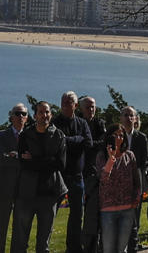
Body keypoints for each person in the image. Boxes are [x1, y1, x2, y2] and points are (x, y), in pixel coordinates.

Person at [12, 102, 66, 253]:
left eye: (47, 112)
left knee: (44, 242)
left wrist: (34, 159)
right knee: (21, 239)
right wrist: (47, 160)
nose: (44, 115)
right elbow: (24, 163)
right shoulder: (25, 135)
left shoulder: (58, 135)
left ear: (51, 115)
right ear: (35, 116)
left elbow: (60, 164)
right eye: (41, 112)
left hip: (49, 193)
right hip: (27, 193)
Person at [55, 94, 95, 253]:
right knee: (51, 212)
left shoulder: (82, 123)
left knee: (77, 215)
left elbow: (88, 143)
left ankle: (73, 248)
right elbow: (57, 143)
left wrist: (68, 140)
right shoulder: (55, 122)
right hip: (59, 175)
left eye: (69, 102)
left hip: (77, 176)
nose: (65, 104)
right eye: (63, 102)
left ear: (76, 105)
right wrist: (77, 140)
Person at [95, 127, 141, 253]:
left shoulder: (130, 155)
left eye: (121, 135)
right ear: (109, 137)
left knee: (122, 249)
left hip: (127, 209)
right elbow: (102, 179)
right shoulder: (101, 156)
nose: (118, 138)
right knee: (109, 249)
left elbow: (136, 181)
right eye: (115, 135)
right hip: (108, 210)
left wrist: (136, 198)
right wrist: (111, 159)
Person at [0, 106, 29, 253]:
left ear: (27, 118)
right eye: (17, 113)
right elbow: (2, 158)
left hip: (23, 187)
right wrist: (22, 158)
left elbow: (32, 159)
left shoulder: (30, 135)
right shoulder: (2, 135)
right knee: (2, 226)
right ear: (11, 117)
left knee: (19, 227)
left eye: (23, 114)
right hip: (6, 187)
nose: (20, 116)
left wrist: (15, 155)